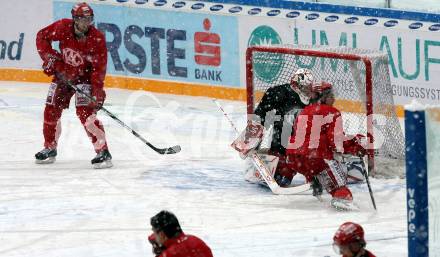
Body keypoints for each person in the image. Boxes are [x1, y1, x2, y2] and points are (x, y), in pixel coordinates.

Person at [34, 2, 112, 168]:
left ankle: (103, 151)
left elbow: (99, 68)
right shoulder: (63, 26)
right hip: (64, 74)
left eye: (89, 19)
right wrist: (50, 57)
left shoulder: (97, 38)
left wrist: (97, 91)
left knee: (86, 114)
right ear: (75, 19)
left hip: (85, 79)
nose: (86, 23)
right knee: (51, 108)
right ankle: (49, 147)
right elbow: (41, 36)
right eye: (83, 19)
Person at [285, 82, 367, 210]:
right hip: (314, 158)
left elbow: (301, 137)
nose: (334, 99)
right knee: (340, 187)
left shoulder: (304, 111)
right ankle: (341, 198)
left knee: (314, 165)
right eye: (331, 95)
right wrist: (356, 145)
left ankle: (315, 180)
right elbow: (337, 143)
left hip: (293, 158)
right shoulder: (331, 112)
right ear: (322, 97)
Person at [232, 68, 315, 187]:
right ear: (296, 85)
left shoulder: (312, 99)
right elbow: (260, 115)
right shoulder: (278, 93)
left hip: (301, 143)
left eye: (309, 86)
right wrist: (248, 140)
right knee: (281, 180)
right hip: (281, 142)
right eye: (305, 87)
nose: (308, 90)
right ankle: (261, 166)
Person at [148, 210, 213, 257]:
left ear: (162, 234)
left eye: (154, 232)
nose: (155, 237)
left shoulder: (169, 254)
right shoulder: (196, 240)